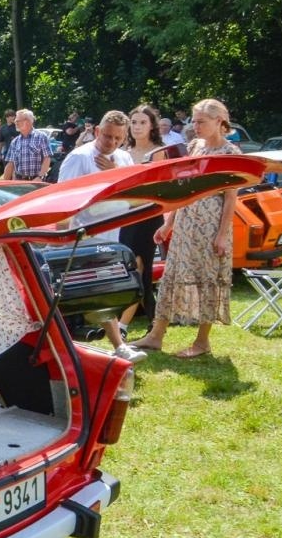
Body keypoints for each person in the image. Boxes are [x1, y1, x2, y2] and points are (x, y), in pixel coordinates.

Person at [132, 99, 243, 359]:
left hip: (212, 223)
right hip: (186, 220)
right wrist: (168, 223)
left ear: (219, 121)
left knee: (207, 279)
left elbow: (230, 198)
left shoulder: (230, 152)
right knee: (171, 275)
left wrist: (221, 235)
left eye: (201, 121)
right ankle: (156, 335)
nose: (196, 126)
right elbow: (185, 190)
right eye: (194, 120)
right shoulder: (195, 146)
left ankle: (202, 341)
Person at [56, 110, 144, 362]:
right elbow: (64, 200)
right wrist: (64, 238)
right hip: (83, 238)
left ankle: (117, 345)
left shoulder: (124, 158)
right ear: (97, 131)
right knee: (83, 294)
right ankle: (73, 347)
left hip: (112, 237)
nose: (112, 143)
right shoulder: (79, 158)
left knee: (103, 292)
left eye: (118, 138)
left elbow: (134, 197)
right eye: (107, 137)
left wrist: (114, 174)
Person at [118, 104, 169, 332]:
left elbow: (159, 186)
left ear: (152, 126)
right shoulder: (124, 152)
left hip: (148, 214)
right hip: (126, 215)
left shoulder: (158, 151)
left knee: (140, 265)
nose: (137, 127)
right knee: (130, 265)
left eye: (142, 122)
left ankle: (127, 324)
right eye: (134, 122)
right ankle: (150, 316)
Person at [2, 108, 52, 182]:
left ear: (28, 121)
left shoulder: (41, 137)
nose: (15, 122)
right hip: (19, 182)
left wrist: (40, 177)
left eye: (18, 121)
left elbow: (47, 158)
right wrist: (4, 183)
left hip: (36, 181)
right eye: (15, 121)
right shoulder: (15, 141)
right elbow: (10, 163)